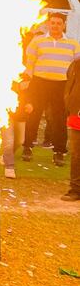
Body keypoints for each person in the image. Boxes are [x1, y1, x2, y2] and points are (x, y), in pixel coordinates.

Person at [23, 13, 80, 166]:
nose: (55, 26)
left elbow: (78, 67)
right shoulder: (37, 41)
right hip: (39, 82)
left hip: (61, 85)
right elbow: (30, 63)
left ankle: (59, 151)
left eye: (58, 23)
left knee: (59, 119)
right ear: (48, 24)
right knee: (33, 115)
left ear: (64, 25)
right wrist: (27, 81)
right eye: (52, 23)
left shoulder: (73, 44)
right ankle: (27, 147)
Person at [62, 58, 80, 200]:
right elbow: (69, 85)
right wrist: (70, 105)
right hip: (77, 115)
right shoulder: (77, 63)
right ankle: (76, 189)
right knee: (77, 155)